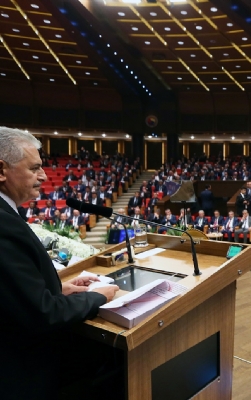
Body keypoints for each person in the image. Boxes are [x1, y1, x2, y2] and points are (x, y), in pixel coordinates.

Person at [0, 127, 119, 399]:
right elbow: (42, 315)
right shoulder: (3, 222)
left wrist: (56, 289)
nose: (43, 175)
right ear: (1, 170)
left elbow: (9, 293)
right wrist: (97, 297)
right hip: (22, 374)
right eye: (35, 168)